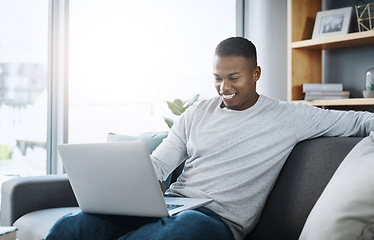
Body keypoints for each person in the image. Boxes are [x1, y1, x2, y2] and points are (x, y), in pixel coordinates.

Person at [46, 37, 374, 240]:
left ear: (256, 73)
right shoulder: (196, 113)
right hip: (170, 206)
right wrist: (125, 183)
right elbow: (160, 163)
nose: (224, 88)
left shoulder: (290, 116)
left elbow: (359, 121)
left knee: (191, 229)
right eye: (217, 78)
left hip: (217, 221)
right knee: (73, 226)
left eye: (234, 78)